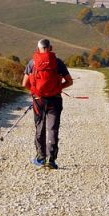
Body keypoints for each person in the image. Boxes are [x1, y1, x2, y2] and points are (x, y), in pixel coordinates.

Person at [22, 39, 73, 169]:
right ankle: (51, 160)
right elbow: (69, 81)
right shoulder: (58, 62)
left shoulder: (32, 63)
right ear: (50, 47)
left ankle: (40, 158)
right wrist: (57, 88)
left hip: (39, 100)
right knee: (53, 129)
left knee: (40, 127)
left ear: (38, 48)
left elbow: (24, 83)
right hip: (55, 99)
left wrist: (35, 91)